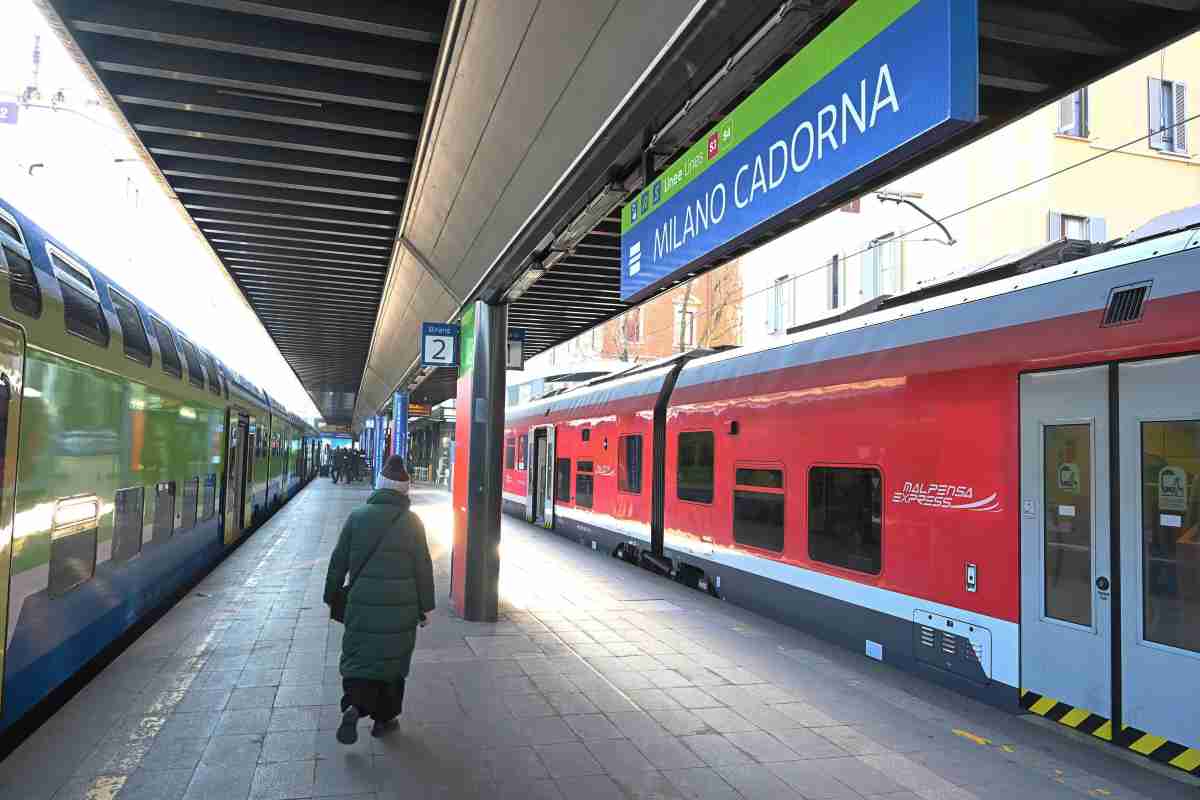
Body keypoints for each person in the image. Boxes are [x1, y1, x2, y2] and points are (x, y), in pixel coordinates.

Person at [324, 456, 435, 742]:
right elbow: (423, 566)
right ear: (404, 490)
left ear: (380, 485)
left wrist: (331, 595)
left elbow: (338, 562)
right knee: (391, 664)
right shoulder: (413, 523)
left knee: (360, 657)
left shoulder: (358, 517)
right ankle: (384, 720)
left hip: (361, 605)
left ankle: (354, 705)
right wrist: (425, 607)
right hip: (402, 608)